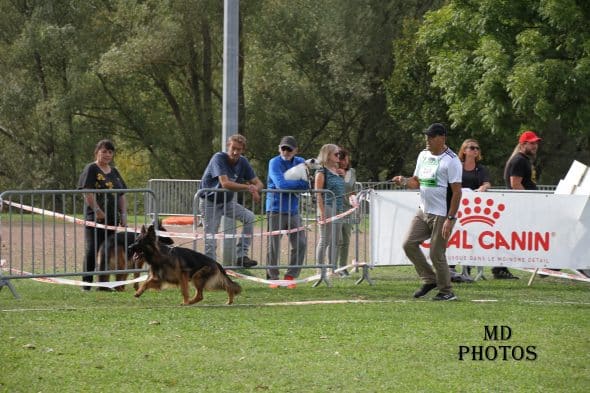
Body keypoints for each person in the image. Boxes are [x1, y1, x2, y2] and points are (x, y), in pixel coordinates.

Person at [392, 123, 462, 301]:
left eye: (431, 137)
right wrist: (404, 181)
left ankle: (447, 291)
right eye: (426, 137)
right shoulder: (423, 155)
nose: (427, 140)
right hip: (423, 210)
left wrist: (451, 218)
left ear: (442, 138)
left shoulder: (451, 160)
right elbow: (416, 182)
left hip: (442, 214)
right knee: (408, 244)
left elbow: (457, 192)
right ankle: (429, 279)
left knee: (436, 254)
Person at [199, 134, 264, 267]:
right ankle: (210, 267)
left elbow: (259, 183)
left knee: (249, 217)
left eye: (239, 149)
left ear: (243, 150)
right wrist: (249, 187)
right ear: (228, 146)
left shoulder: (243, 162)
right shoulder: (219, 158)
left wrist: (255, 189)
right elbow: (225, 184)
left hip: (226, 202)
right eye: (233, 148)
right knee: (211, 235)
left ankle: (242, 256)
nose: (235, 152)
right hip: (210, 201)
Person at [77, 139, 127, 291]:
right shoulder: (91, 169)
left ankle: (104, 284)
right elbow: (87, 191)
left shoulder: (114, 171)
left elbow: (121, 194)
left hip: (112, 219)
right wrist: (97, 210)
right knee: (92, 250)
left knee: (108, 251)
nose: (107, 155)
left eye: (110, 152)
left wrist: (123, 213)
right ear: (97, 151)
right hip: (95, 219)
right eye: (104, 151)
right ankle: (87, 284)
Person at [492, 130, 542, 279]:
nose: (535, 146)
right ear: (522, 144)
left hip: (520, 205)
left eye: (536, 143)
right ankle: (547, 264)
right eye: (531, 143)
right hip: (520, 205)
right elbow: (515, 184)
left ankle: (499, 268)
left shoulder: (523, 159)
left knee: (515, 237)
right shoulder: (519, 160)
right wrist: (528, 201)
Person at [265, 136, 310, 288]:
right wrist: (297, 184)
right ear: (279, 148)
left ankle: (291, 275)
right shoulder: (274, 162)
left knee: (301, 243)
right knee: (273, 246)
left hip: (293, 210)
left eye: (289, 149)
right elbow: (280, 184)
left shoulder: (300, 161)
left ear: (295, 150)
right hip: (275, 209)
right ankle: (274, 278)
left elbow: (306, 185)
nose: (286, 151)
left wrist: (294, 185)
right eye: (283, 148)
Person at [452, 138, 492, 282]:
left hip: (474, 209)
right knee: (454, 236)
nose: (475, 150)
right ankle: (451, 267)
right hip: (456, 206)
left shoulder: (480, 169)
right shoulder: (456, 166)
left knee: (470, 237)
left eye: (477, 148)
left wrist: (483, 187)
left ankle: (467, 268)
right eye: (471, 147)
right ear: (464, 150)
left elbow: (487, 182)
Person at [315, 144, 345, 273]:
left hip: (338, 208)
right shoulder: (321, 171)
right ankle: (320, 270)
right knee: (325, 240)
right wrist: (321, 212)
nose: (339, 156)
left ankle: (332, 268)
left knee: (336, 239)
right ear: (327, 155)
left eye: (340, 154)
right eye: (336, 154)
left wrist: (343, 175)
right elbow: (318, 193)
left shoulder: (337, 171)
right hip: (326, 207)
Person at [336, 147, 357, 276]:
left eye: (345, 158)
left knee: (346, 239)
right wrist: (340, 176)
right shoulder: (333, 172)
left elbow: (352, 188)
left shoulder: (352, 171)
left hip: (349, 209)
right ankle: (333, 267)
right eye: (340, 159)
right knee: (337, 239)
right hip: (336, 209)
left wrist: (355, 201)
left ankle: (342, 267)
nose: (343, 161)